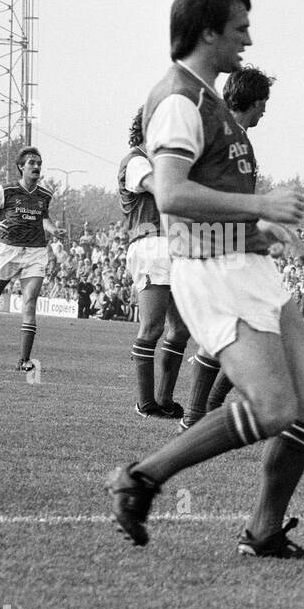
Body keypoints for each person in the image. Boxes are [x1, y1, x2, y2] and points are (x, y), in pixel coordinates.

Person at [106, 0, 304, 557]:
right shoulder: (178, 100)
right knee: (275, 406)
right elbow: (172, 194)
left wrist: (271, 231)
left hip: (248, 266)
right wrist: (261, 204)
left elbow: (213, 195)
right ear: (207, 33)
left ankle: (265, 528)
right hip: (214, 272)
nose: (247, 40)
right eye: (239, 28)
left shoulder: (208, 100)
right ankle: (142, 478)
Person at [179, 64, 303, 428]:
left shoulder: (237, 137)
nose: (266, 110)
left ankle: (201, 413)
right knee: (234, 334)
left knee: (236, 332)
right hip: (218, 246)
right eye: (264, 103)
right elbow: (222, 198)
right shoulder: (226, 135)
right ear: (255, 101)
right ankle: (195, 415)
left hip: (230, 244)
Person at [120, 108, 192, 418]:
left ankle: (164, 400)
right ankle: (145, 403)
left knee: (180, 329)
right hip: (150, 245)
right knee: (152, 327)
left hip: (175, 245)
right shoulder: (135, 160)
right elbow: (162, 190)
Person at [0, 146, 58, 371]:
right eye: (32, 163)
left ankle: (24, 360)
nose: (37, 167)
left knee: (30, 303)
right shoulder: (5, 190)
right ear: (21, 167)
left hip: (35, 252)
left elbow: (44, 220)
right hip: (9, 250)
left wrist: (54, 230)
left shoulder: (45, 195)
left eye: (39, 163)